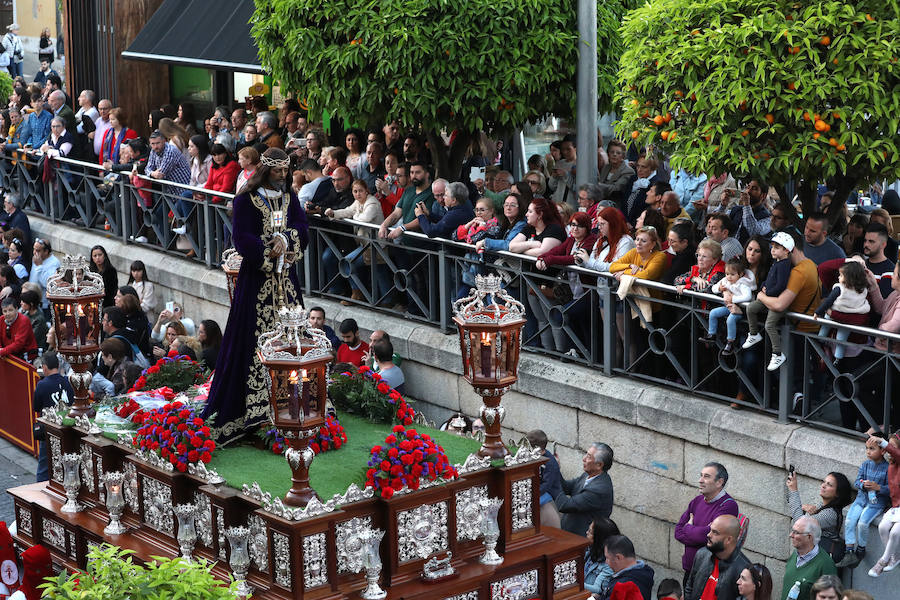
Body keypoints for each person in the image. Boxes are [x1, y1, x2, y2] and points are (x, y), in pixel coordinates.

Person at [201, 148, 308, 444]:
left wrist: (285, 240)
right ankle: (254, 412)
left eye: (285, 172)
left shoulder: (289, 198)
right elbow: (241, 236)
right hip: (256, 283)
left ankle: (294, 405)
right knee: (250, 338)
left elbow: (302, 226)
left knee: (293, 338)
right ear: (265, 171)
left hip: (285, 281)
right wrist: (266, 249)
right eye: (277, 172)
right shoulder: (245, 199)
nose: (282, 177)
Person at [675, 463, 740, 586]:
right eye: (701, 476)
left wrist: (688, 528)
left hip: (709, 574)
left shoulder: (728, 505)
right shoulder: (697, 501)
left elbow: (710, 537)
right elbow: (678, 532)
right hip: (689, 569)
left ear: (719, 482)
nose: (700, 480)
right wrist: (698, 533)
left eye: (706, 476)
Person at [741, 231, 795, 370]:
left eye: (777, 248)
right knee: (751, 308)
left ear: (786, 250)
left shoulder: (784, 265)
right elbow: (770, 279)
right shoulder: (776, 262)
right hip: (767, 296)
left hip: (776, 300)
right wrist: (763, 286)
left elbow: (781, 285)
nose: (773, 250)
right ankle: (753, 333)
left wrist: (767, 292)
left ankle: (777, 353)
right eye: (772, 247)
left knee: (769, 325)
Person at [835, 435, 890, 568]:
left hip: (876, 503)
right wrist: (862, 485)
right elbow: (857, 481)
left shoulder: (887, 468)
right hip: (861, 500)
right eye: (866, 448)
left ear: (882, 451)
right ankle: (849, 551)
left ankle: (860, 550)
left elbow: (891, 489)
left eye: (872, 448)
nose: (868, 452)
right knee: (849, 520)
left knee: (863, 523)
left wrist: (878, 488)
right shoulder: (865, 465)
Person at [785, 470, 852, 564]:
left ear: (837, 493)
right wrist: (803, 507)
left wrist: (793, 490)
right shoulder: (821, 506)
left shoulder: (830, 514)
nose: (823, 485)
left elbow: (799, 524)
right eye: (824, 482)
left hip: (817, 563)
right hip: (810, 558)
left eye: (829, 485)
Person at [814, 261, 869, 364]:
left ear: (849, 277)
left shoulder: (839, 288)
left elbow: (828, 301)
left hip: (834, 313)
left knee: (825, 326)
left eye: (841, 275)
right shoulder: (862, 290)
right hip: (848, 320)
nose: (839, 278)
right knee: (841, 340)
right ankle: (838, 359)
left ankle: (820, 340)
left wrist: (818, 312)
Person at [684, 515, 750, 600]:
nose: (708, 535)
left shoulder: (744, 570)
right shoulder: (702, 554)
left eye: (715, 532)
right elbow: (689, 587)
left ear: (728, 539)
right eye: (710, 530)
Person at [555, 442, 614, 536]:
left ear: (599, 465)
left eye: (589, 457)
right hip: (570, 535)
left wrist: (551, 476)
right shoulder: (588, 474)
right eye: (586, 454)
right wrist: (555, 469)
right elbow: (566, 487)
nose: (584, 459)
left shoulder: (598, 490)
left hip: (582, 540)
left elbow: (565, 505)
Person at [702, 257, 757, 354]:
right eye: (727, 274)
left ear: (740, 274)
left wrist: (733, 299)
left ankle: (730, 342)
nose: (729, 277)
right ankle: (712, 334)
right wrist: (719, 288)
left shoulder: (743, 284)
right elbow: (714, 288)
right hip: (728, 307)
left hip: (740, 310)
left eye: (732, 274)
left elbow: (747, 296)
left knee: (730, 319)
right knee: (713, 313)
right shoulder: (725, 280)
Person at [32, 351, 72, 481]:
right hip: (67, 428)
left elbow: (36, 407)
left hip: (49, 429)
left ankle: (41, 491)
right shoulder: (68, 382)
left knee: (44, 464)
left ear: (44, 367)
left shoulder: (42, 385)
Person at [867, 432, 900, 576]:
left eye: (892, 447)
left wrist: (883, 442)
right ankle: (894, 557)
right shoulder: (891, 465)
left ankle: (883, 561)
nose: (887, 450)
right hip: (895, 507)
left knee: (894, 532)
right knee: (882, 527)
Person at [781, 516, 837, 600]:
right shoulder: (795, 555)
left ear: (809, 537)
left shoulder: (826, 565)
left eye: (796, 532)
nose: (791, 535)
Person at [599, 535, 655, 600]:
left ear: (618, 557)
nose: (606, 562)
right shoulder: (643, 572)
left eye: (607, 558)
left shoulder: (623, 587)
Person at [583, 517, 620, 596]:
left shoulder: (609, 564)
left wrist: (575, 585)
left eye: (590, 532)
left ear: (599, 538)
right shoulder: (590, 552)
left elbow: (597, 589)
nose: (586, 533)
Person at [0, 296, 37, 361]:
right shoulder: (1, 320)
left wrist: (2, 352)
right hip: (8, 354)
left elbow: (19, 344)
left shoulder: (24, 321)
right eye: (5, 311)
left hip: (26, 355)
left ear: (16, 309)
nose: (7, 314)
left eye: (10, 310)